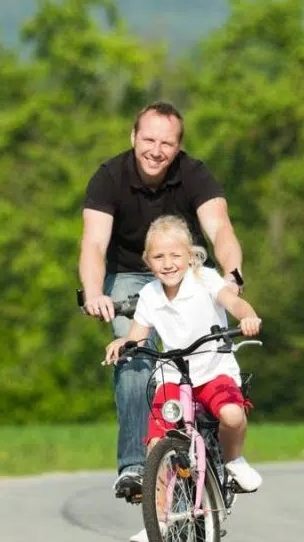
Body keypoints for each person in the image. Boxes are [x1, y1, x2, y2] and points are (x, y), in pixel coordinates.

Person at [79, 101, 245, 502]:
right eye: (149, 139)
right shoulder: (109, 177)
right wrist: (95, 292)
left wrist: (232, 273)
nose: (156, 150)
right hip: (129, 275)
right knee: (136, 358)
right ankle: (136, 467)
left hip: (185, 269)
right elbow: (94, 243)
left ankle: (218, 447)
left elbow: (219, 227)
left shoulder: (194, 174)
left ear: (178, 147)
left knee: (205, 351)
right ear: (133, 137)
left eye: (166, 143)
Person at [104, 215, 262, 542]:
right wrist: (125, 343)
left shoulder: (206, 279)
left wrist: (247, 316)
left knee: (232, 415)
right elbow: (138, 333)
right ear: (148, 261)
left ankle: (234, 460)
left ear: (190, 255)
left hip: (213, 368)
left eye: (175, 255)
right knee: (156, 443)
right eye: (159, 257)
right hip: (174, 373)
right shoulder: (149, 294)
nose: (168, 263)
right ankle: (160, 517)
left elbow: (231, 300)